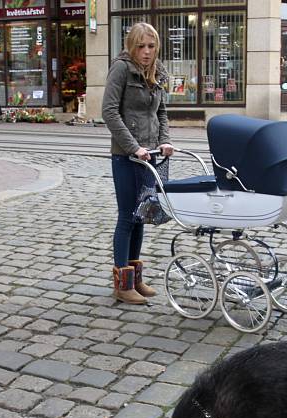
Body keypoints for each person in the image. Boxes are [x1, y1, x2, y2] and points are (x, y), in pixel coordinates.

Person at [102, 22, 173, 305]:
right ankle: (122, 284)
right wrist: (134, 147)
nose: (146, 52)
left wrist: (164, 141)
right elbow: (108, 112)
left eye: (151, 46)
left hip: (150, 154)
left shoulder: (156, 71)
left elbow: (163, 112)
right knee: (126, 217)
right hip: (126, 154)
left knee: (142, 214)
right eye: (141, 46)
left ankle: (136, 279)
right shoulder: (121, 68)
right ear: (132, 46)